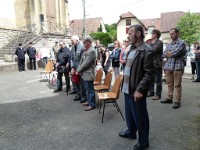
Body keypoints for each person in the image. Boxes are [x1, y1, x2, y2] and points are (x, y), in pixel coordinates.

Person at [119, 24, 155, 150]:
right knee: (129, 114)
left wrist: (140, 90)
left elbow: (149, 73)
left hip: (136, 90)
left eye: (130, 33)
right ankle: (131, 132)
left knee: (140, 117)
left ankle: (144, 142)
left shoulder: (146, 50)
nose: (128, 36)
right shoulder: (132, 48)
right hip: (128, 88)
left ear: (138, 34)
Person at [161, 28, 186, 109]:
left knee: (177, 85)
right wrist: (169, 53)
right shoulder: (170, 43)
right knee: (169, 84)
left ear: (177, 33)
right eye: (170, 34)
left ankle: (177, 100)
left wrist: (169, 53)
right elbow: (164, 54)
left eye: (172, 34)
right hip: (169, 67)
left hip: (178, 67)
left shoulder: (182, 42)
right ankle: (169, 97)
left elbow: (176, 52)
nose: (171, 36)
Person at [77, 35, 96, 111]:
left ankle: (92, 104)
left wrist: (78, 71)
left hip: (88, 73)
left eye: (84, 42)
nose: (83, 43)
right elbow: (82, 62)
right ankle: (89, 101)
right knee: (87, 89)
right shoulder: (87, 50)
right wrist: (79, 69)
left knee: (90, 90)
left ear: (88, 42)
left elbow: (86, 63)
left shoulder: (92, 51)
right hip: (85, 73)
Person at [70, 35, 86, 103]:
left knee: (81, 83)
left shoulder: (82, 46)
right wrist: (72, 67)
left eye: (72, 40)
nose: (71, 42)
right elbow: (72, 58)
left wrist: (79, 69)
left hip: (81, 68)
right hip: (75, 68)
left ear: (76, 40)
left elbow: (83, 59)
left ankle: (83, 96)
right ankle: (78, 94)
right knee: (75, 82)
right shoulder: (73, 47)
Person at [148, 29, 163, 100]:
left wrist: (148, 49)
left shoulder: (159, 42)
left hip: (157, 63)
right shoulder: (151, 43)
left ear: (156, 34)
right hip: (151, 63)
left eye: (153, 33)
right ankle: (151, 92)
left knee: (158, 80)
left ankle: (158, 94)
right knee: (150, 78)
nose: (152, 34)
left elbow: (153, 50)